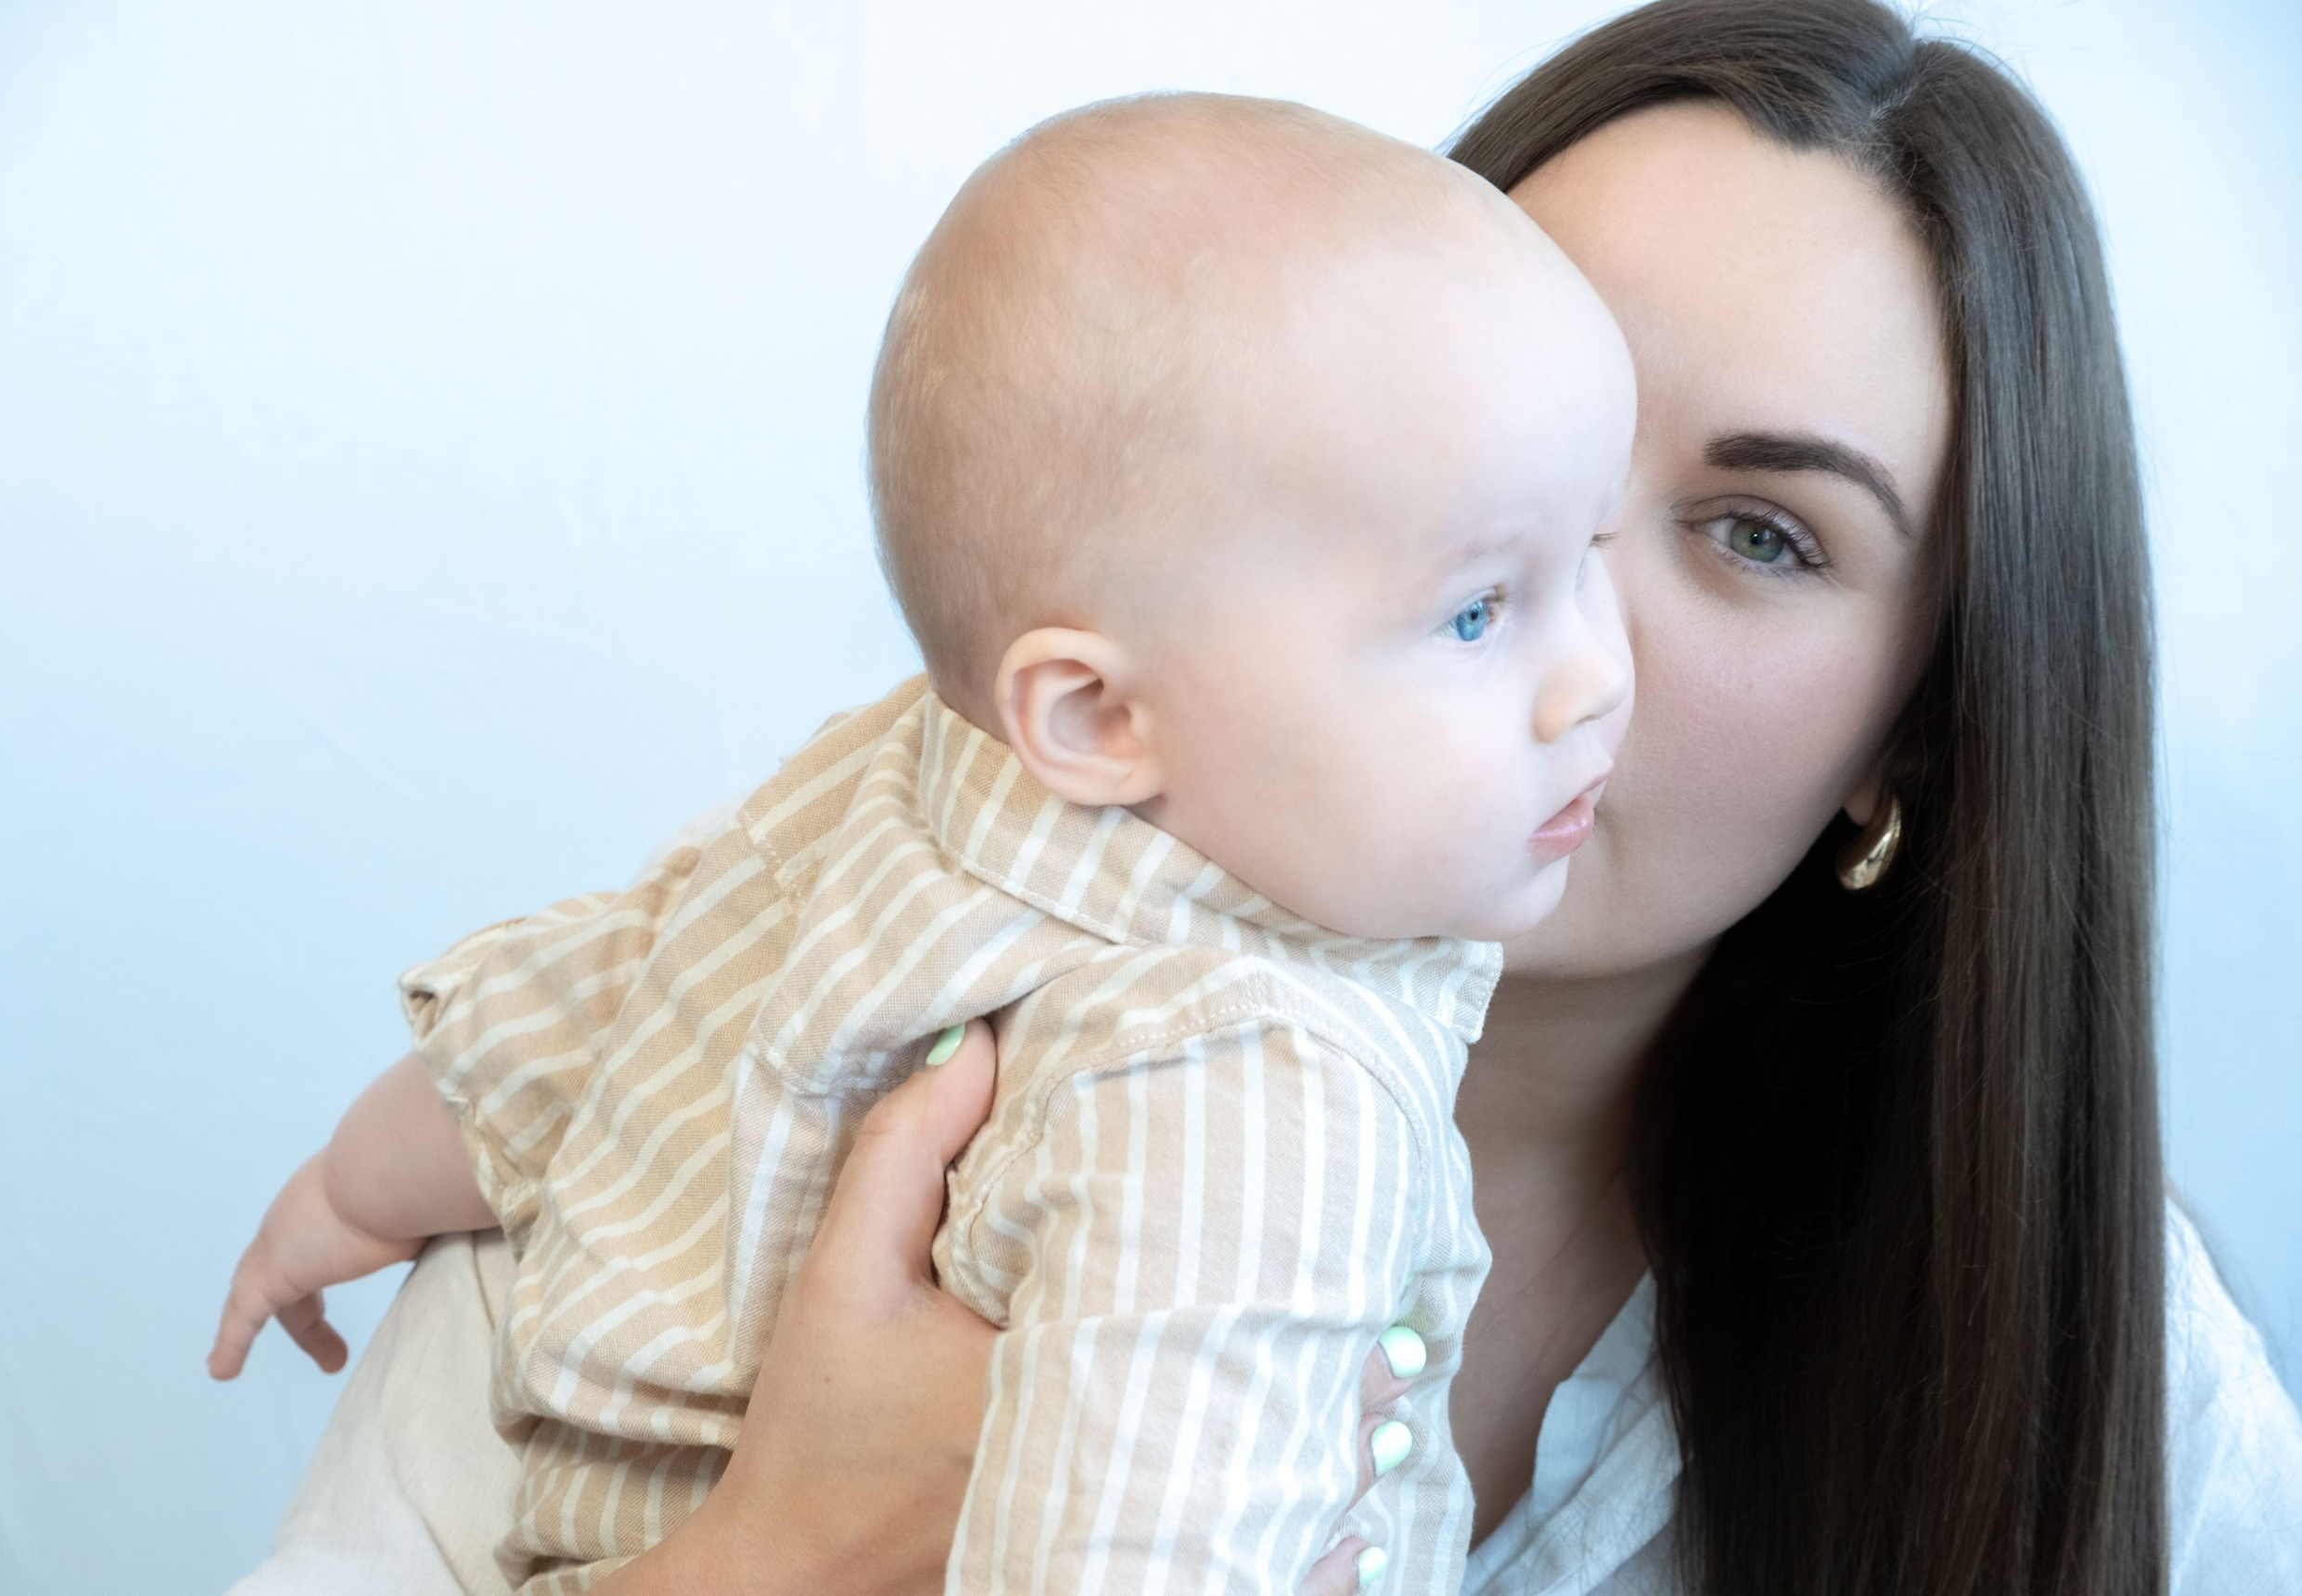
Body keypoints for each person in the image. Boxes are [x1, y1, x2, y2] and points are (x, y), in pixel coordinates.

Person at [223, 2, 2302, 1594]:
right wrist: (776, 1551)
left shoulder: (2101, 1382)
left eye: (1753, 533)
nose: (1573, 630)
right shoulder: (743, 1105)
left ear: (1912, 732)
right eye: (1499, 472)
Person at [211, 94, 1640, 1595]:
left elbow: (610, 1004)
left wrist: (349, 1192)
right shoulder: (1263, 1084)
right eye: (1479, 609)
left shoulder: (899, 795)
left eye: (1589, 550)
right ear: (1090, 712)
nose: (1602, 673)